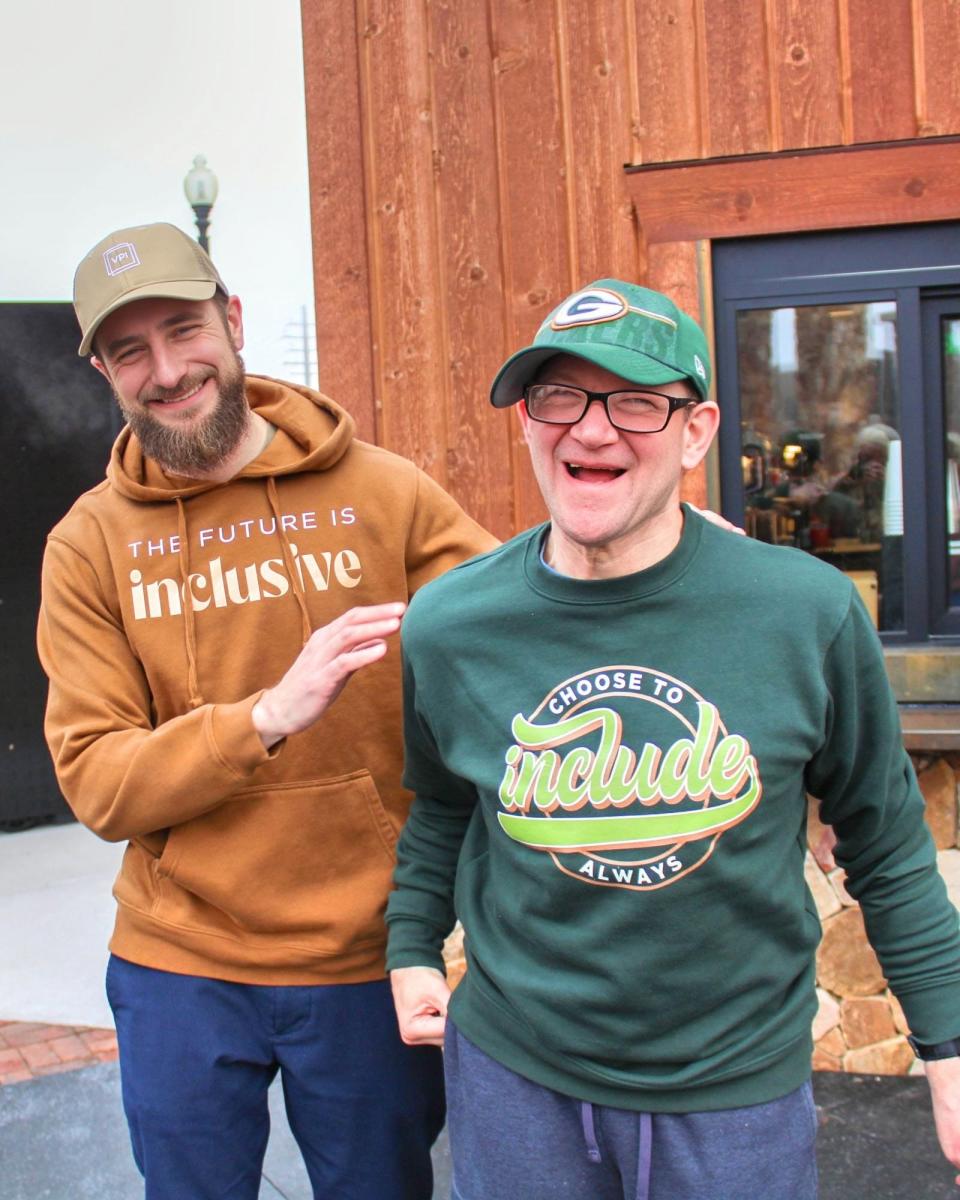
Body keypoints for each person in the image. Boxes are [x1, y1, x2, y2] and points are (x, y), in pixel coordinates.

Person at [386, 279, 960, 1199]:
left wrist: (949, 1044)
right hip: (515, 1082)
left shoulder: (802, 612)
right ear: (528, 422)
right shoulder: (451, 624)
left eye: (638, 402)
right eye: (559, 396)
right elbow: (443, 810)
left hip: (732, 1097)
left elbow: (887, 842)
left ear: (697, 433)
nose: (591, 429)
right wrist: (413, 944)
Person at [37, 222, 496, 1200]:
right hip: (179, 964)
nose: (165, 369)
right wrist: (264, 718)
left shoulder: (382, 492)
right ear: (104, 373)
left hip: (364, 960)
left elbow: (521, 633)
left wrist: (651, 553)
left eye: (182, 328)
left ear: (233, 321)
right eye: (129, 350)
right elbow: (98, 781)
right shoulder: (88, 547)